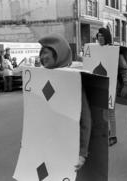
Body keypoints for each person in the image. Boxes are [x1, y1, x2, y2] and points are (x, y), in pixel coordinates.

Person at [38, 33, 91, 170]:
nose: (42, 58)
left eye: (46, 53)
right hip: (45, 146)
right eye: (41, 53)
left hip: (66, 146)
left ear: (59, 53)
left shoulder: (72, 80)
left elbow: (85, 119)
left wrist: (82, 153)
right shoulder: (39, 79)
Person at [96, 27, 127, 146]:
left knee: (110, 111)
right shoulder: (95, 50)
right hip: (99, 85)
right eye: (98, 35)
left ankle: (113, 136)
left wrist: (126, 84)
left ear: (107, 37)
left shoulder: (115, 51)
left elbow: (124, 70)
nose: (100, 38)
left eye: (102, 36)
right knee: (102, 111)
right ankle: (107, 131)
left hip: (111, 85)